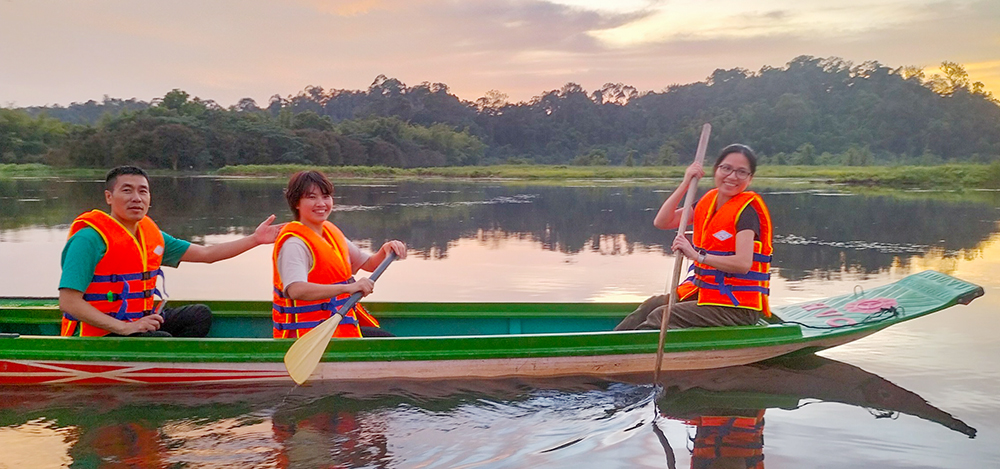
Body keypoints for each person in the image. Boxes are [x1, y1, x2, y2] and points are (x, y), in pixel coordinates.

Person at [59, 165, 283, 337]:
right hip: (104, 331)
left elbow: (206, 254)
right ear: (109, 197)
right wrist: (125, 328)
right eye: (127, 191)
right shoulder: (88, 239)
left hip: (138, 321)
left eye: (143, 191)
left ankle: (180, 370)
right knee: (161, 338)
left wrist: (255, 239)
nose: (136, 198)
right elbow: (69, 302)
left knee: (199, 316)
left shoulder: (150, 235)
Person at [616, 144, 773, 330]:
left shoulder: (747, 212)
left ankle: (629, 355)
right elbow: (663, 221)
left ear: (750, 178)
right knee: (652, 305)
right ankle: (608, 347)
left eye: (741, 172)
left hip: (739, 306)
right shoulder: (708, 203)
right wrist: (686, 182)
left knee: (663, 315)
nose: (732, 176)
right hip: (707, 293)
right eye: (726, 168)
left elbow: (743, 264)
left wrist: (697, 256)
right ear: (716, 170)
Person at [272, 170, 407, 339]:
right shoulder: (294, 244)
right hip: (308, 336)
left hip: (335, 328)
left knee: (388, 341)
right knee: (390, 345)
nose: (321, 203)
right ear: (296, 203)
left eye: (326, 196)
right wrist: (348, 288)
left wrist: (386, 249)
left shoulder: (330, 233)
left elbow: (369, 263)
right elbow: (296, 290)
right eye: (312, 197)